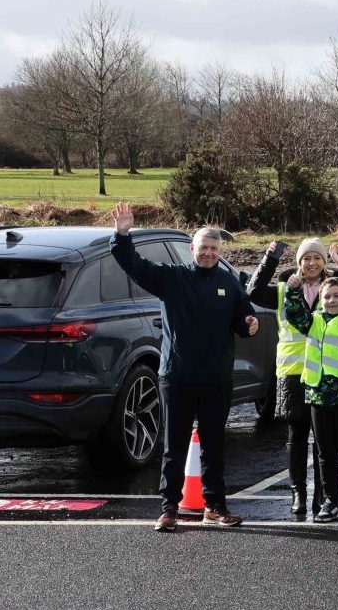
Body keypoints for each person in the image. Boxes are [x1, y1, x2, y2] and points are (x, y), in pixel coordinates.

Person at [108, 204, 259, 532]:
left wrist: (250, 324)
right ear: (191, 249)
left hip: (217, 379)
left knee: (214, 447)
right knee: (174, 447)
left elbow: (243, 317)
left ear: (220, 252)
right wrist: (122, 235)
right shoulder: (171, 278)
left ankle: (215, 506)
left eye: (214, 249)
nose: (207, 253)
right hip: (177, 377)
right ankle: (168, 509)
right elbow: (133, 264)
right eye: (203, 247)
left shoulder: (229, 283)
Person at [247, 236, 338, 521]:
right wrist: (270, 258)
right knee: (296, 436)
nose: (311, 263)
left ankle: (324, 496)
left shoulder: (332, 290)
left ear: (324, 262)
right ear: (298, 262)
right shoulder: (286, 289)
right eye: (306, 258)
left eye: (317, 258)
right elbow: (253, 291)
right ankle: (299, 491)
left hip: (324, 375)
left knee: (324, 441)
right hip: (294, 372)